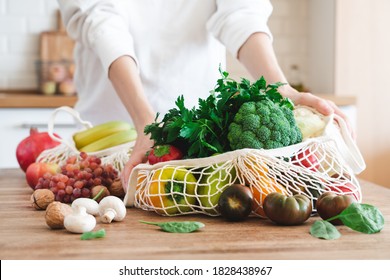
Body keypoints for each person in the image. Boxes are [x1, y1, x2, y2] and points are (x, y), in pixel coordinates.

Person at [58, 0, 352, 190]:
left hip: (202, 140)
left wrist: (281, 89)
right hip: (111, 135)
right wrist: (145, 120)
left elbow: (241, 13)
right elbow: (100, 20)